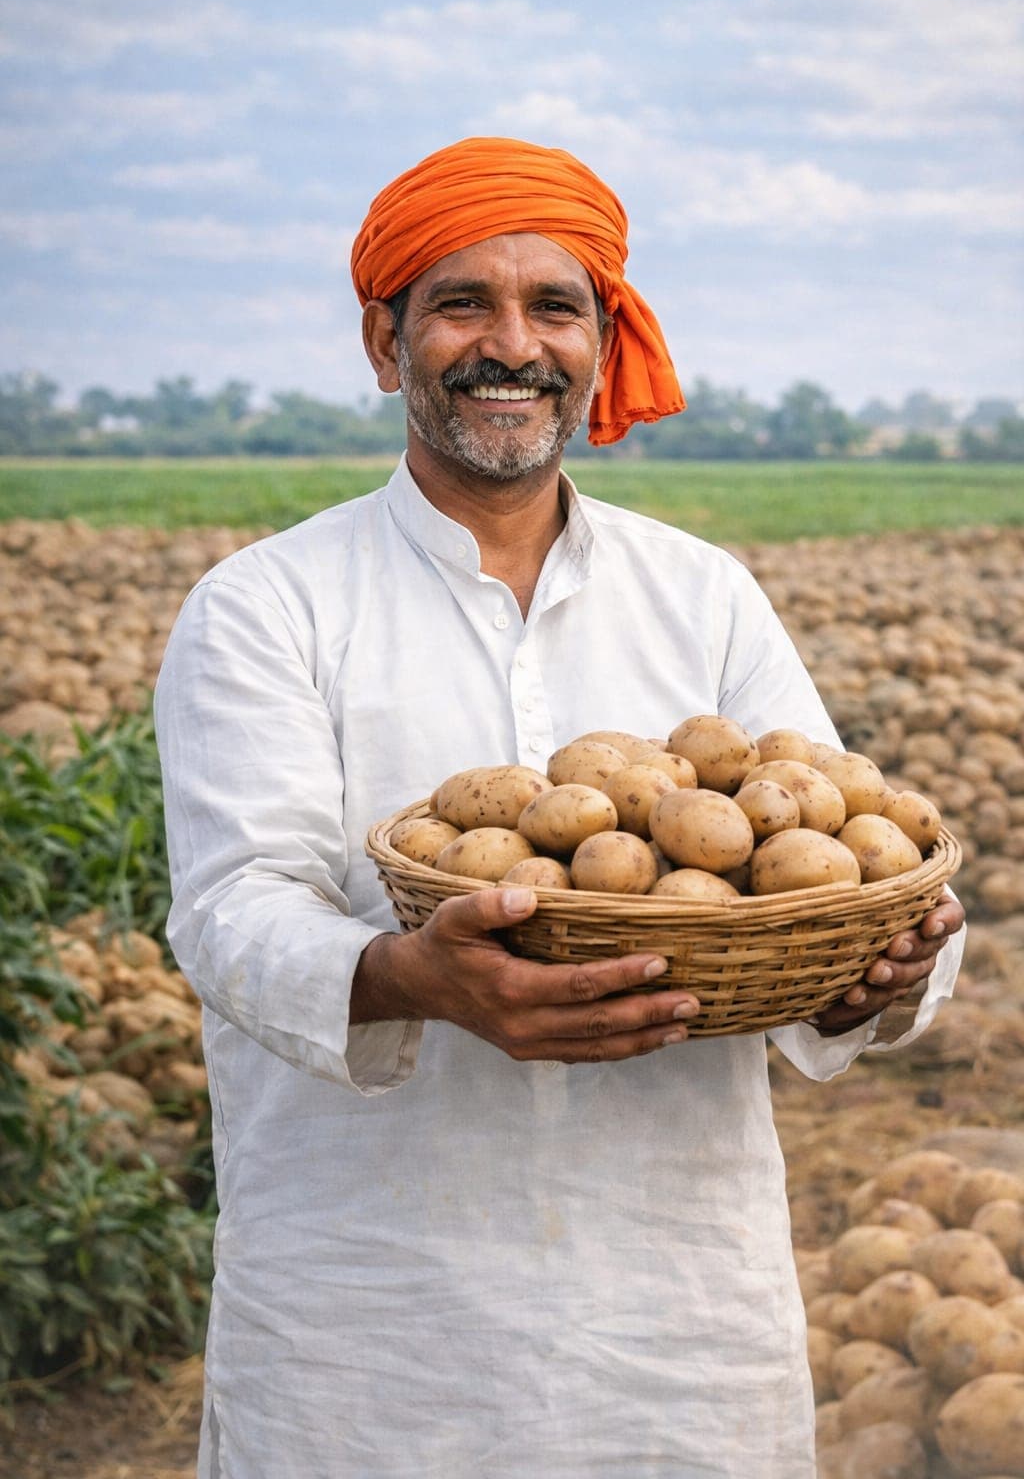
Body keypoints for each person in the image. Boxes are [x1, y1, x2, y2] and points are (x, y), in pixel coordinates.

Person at [154, 136, 965, 1479]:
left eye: (555, 307)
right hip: (370, 1312)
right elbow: (232, 910)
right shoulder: (265, 607)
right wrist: (408, 975)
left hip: (676, 1312)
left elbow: (837, 867)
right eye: (462, 303)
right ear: (385, 339)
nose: (510, 344)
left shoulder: (704, 596)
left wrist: (874, 975)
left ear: (600, 341)